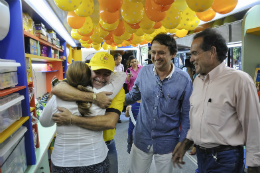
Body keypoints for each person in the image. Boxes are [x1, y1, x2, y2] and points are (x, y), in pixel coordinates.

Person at [172, 28, 260, 173]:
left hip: (226, 159)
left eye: (195, 53)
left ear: (212, 52)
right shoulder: (198, 81)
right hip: (202, 157)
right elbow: (198, 120)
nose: (191, 59)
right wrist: (185, 144)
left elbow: (253, 127)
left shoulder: (239, 80)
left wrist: (254, 166)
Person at [125, 33, 193, 173]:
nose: (156, 57)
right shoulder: (144, 73)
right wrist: (111, 99)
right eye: (153, 52)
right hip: (141, 138)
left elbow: (187, 115)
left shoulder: (184, 80)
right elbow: (133, 95)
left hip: (168, 142)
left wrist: (182, 143)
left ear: (173, 54)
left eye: (161, 53)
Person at [51, 52, 125, 173]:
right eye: (96, 72)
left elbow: (109, 122)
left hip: (105, 145)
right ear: (89, 69)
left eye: (106, 74)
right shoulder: (77, 82)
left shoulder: (117, 91)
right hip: (73, 151)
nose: (100, 78)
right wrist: (94, 97)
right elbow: (58, 88)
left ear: (112, 74)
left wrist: (71, 119)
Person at [40, 61, 112, 172]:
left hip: (63, 161)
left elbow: (44, 122)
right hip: (94, 158)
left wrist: (51, 95)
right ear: (89, 77)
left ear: (67, 78)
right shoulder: (101, 96)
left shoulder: (57, 98)